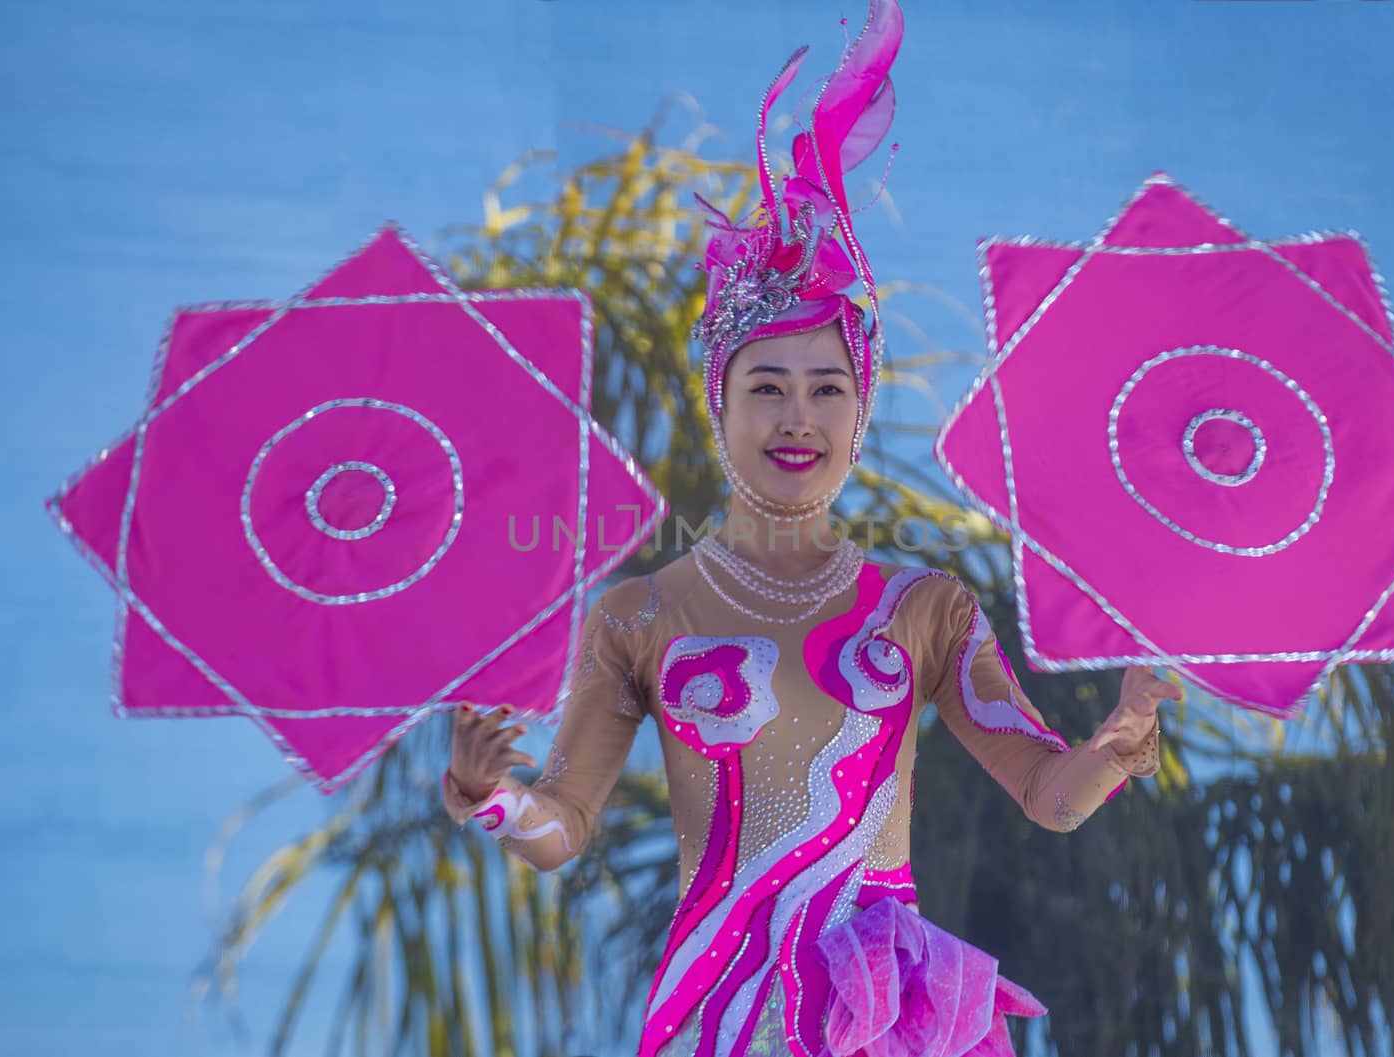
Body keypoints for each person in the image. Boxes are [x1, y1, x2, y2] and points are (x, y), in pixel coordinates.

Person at [444, 2, 1174, 1053]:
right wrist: (490, 799)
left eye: (828, 389)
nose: (799, 416)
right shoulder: (638, 615)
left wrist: (1112, 748)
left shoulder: (925, 608)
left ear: (861, 410)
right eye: (769, 387)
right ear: (720, 403)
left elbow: (1048, 797)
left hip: (882, 1012)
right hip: (721, 1008)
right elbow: (567, 825)